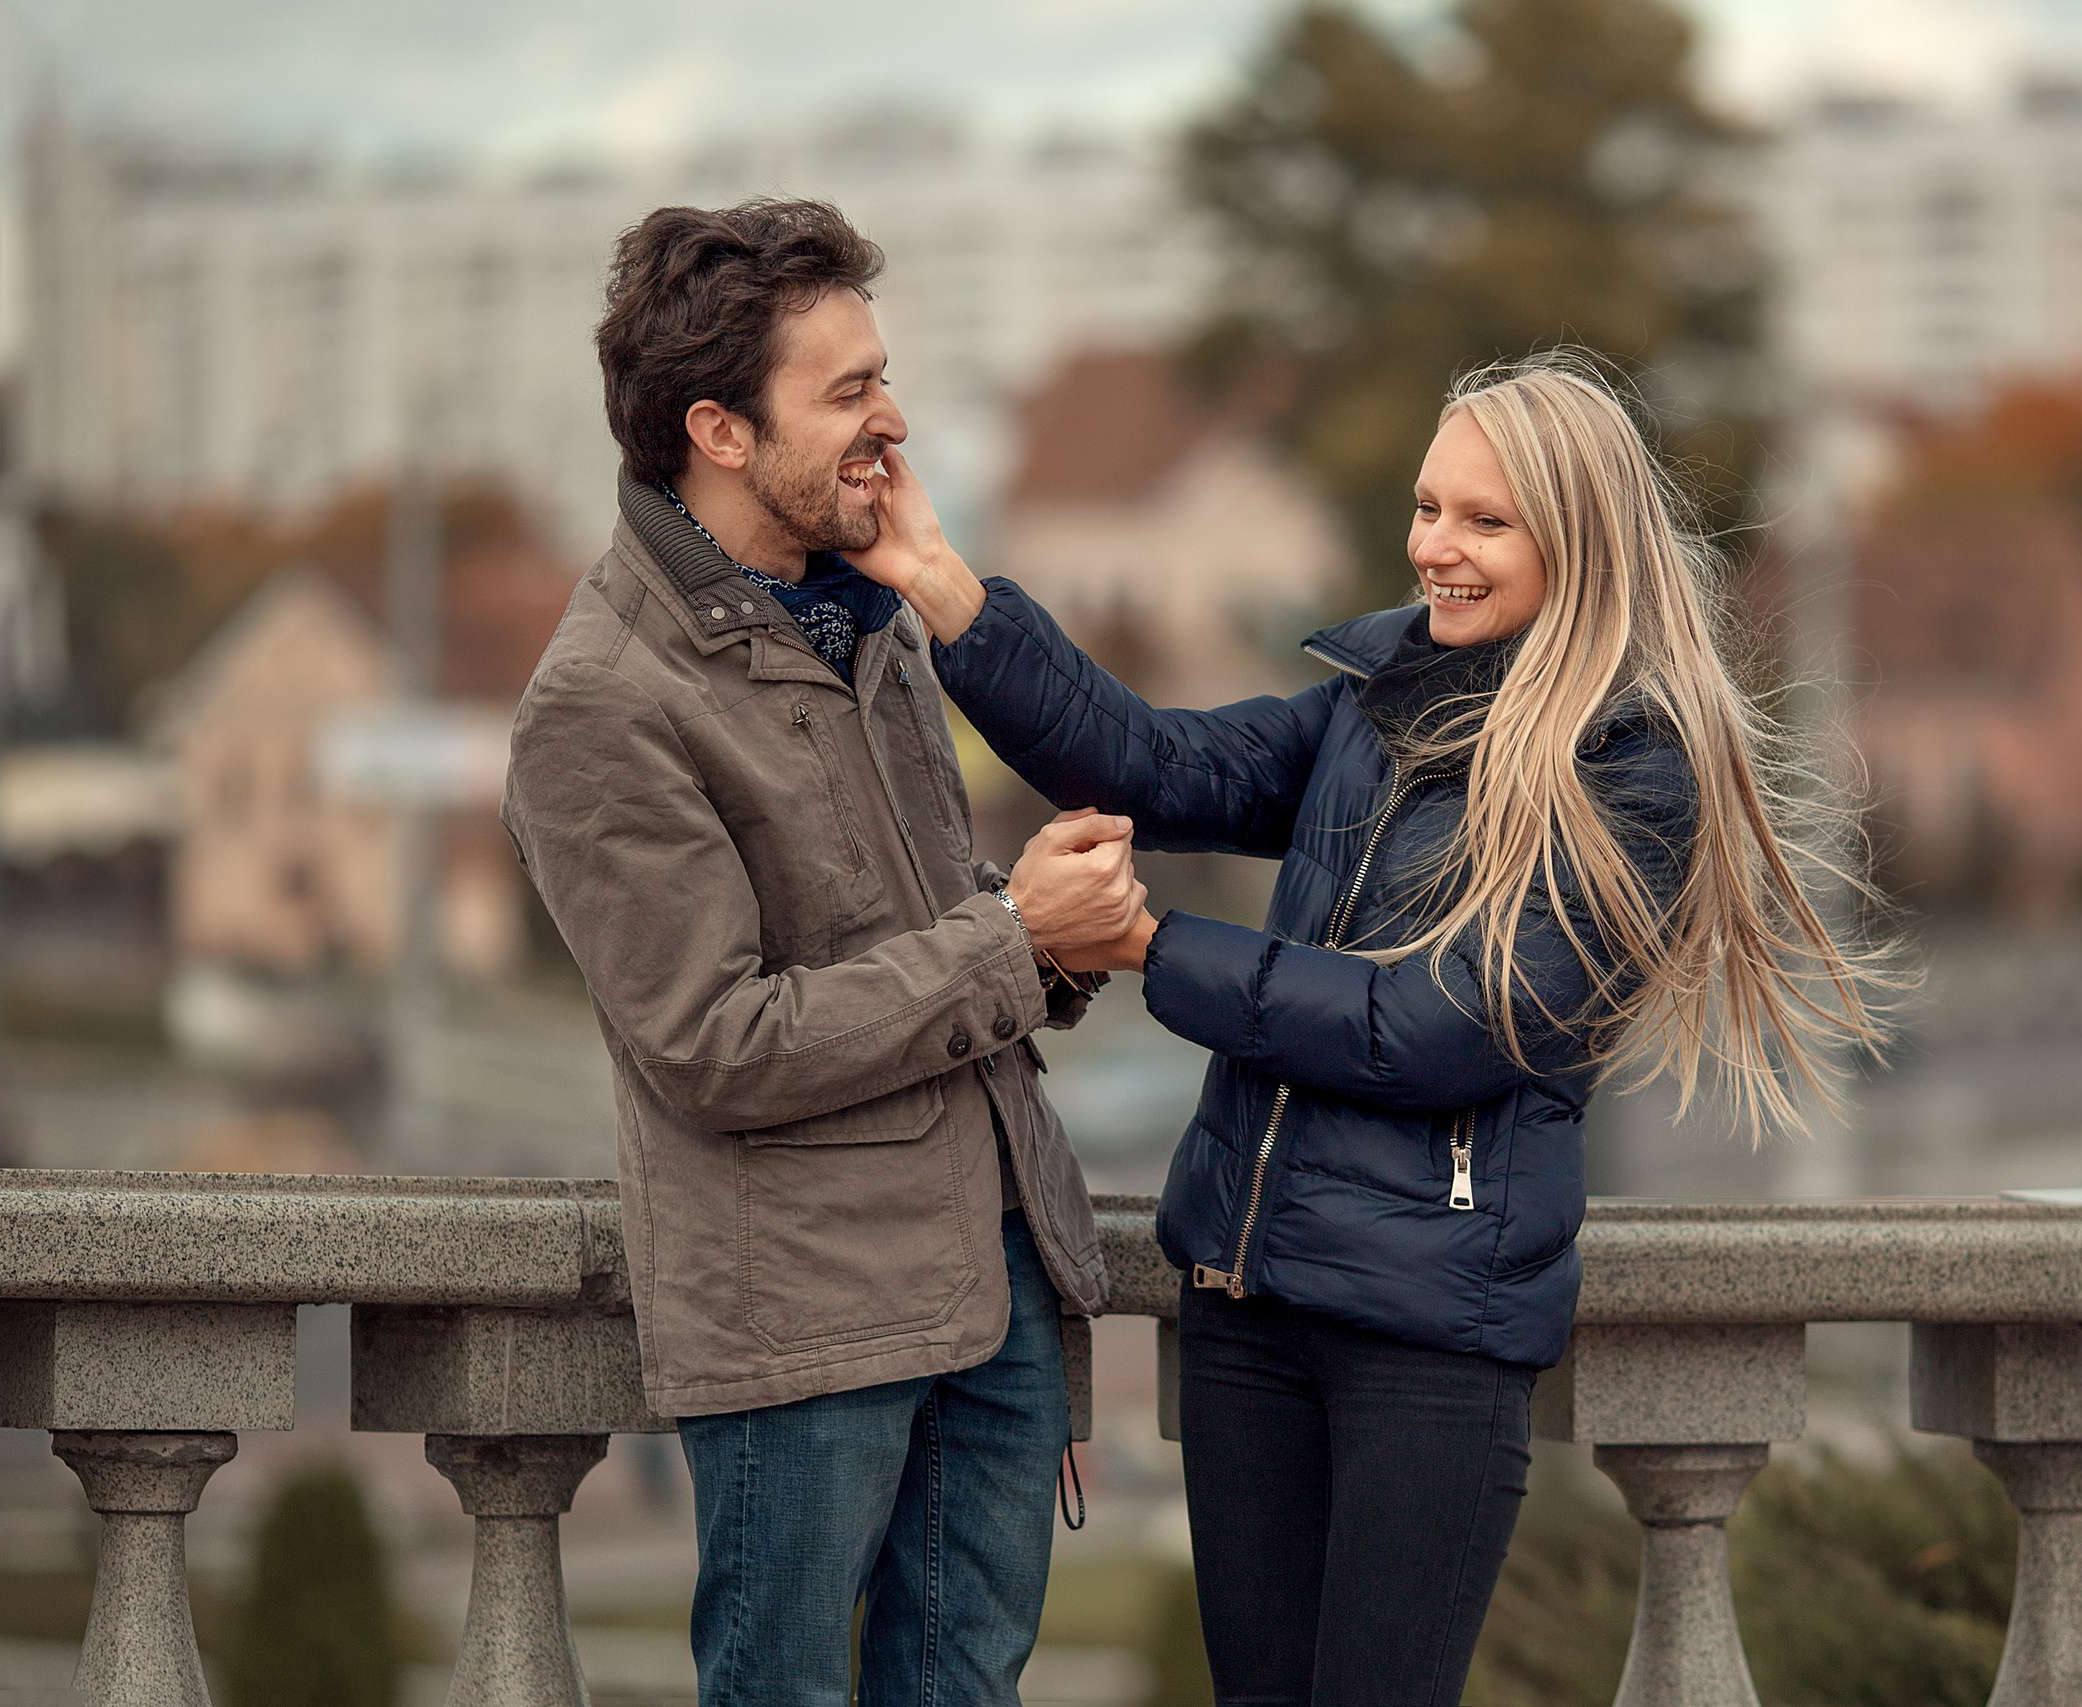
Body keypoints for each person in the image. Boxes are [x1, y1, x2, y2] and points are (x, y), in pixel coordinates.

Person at [852, 350, 1881, 1706]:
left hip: (1428, 1339)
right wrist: (940, 581)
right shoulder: (1377, 697)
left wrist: (1152, 949)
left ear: (1579, 545)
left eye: (1484, 520)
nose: (1434, 548)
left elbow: (1433, 1030)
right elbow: (1152, 762)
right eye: (1427, 506)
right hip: (1246, 1312)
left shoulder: (1631, 767)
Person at [501, 198, 1143, 1706]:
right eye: (849, 392)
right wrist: (1011, 939)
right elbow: (714, 1044)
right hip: (805, 1330)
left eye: (883, 378)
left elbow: (913, 933)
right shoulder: (602, 701)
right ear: (720, 433)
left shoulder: (871, 622)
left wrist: (1055, 939)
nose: (893, 422)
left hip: (997, 1281)